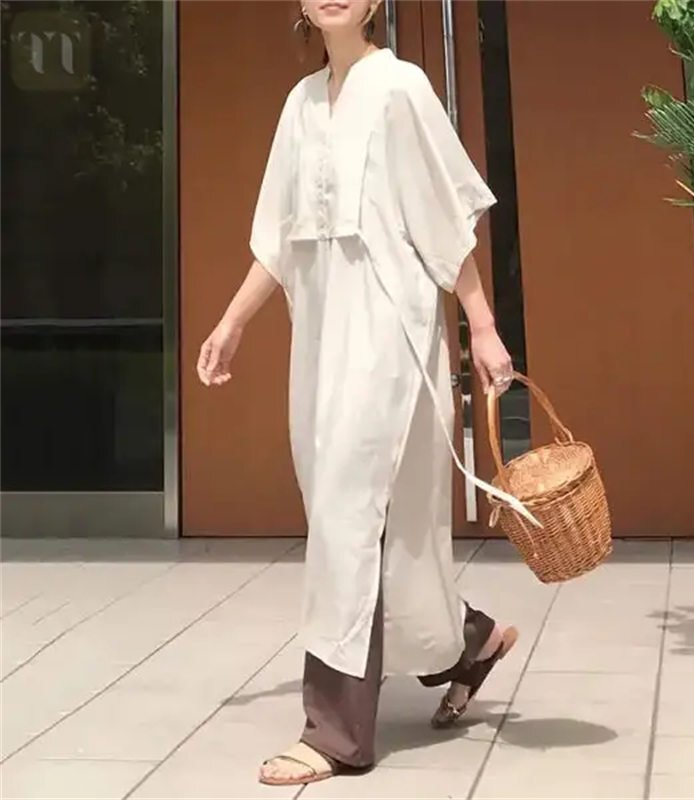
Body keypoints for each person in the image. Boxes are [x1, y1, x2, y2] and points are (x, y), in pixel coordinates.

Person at [196, 0, 520, 787]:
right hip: (321, 343)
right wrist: (232, 323)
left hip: (388, 338)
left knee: (347, 516)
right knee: (370, 519)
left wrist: (482, 327)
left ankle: (335, 731)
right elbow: (279, 238)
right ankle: (468, 641)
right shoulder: (300, 105)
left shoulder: (401, 87)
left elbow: (444, 221)